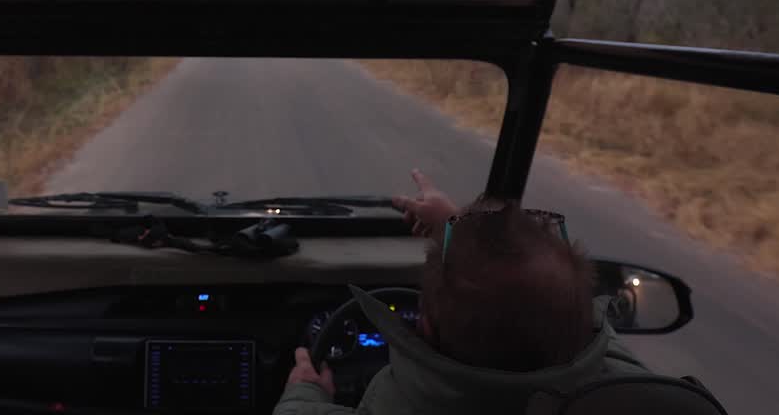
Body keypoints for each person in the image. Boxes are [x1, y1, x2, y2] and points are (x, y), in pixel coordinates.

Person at [273, 170, 651, 415]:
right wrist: (457, 232)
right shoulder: (627, 386)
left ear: (423, 329)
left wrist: (304, 391)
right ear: (583, 324)